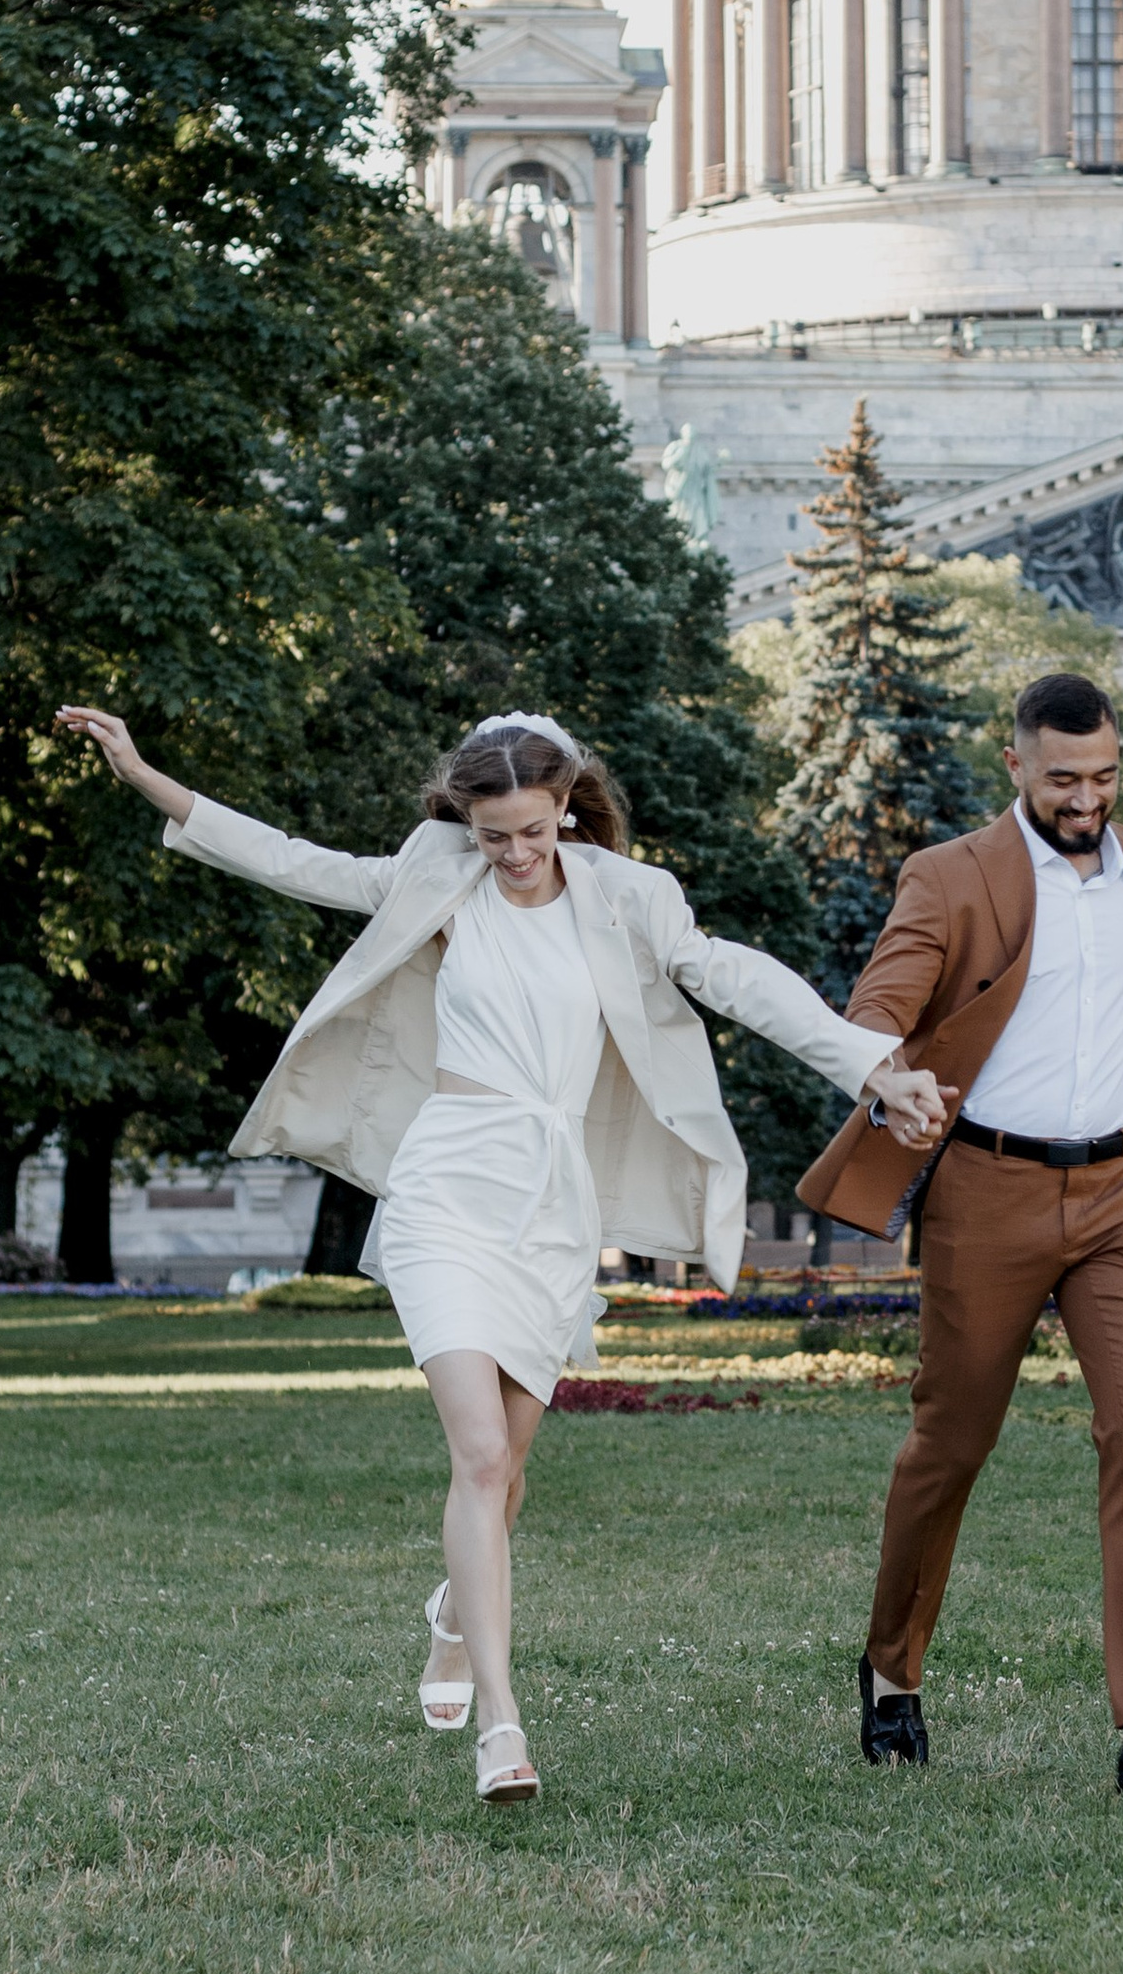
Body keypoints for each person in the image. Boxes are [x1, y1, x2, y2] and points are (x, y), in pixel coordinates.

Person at [54, 703, 947, 1806]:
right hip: (445, 1182)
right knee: (478, 1456)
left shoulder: (632, 899)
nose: (516, 855)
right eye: (494, 836)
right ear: (464, 823)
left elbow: (745, 984)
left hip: (554, 1206)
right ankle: (502, 1724)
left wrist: (874, 1067)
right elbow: (293, 863)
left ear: (567, 806)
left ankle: (448, 1615)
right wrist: (146, 772)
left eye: (533, 830)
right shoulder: (441, 873)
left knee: (509, 1471)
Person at [798, 672, 1123, 1796]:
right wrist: (886, 1081)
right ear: (1016, 767)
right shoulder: (950, 877)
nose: (1087, 800)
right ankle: (892, 1673)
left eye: (1104, 778)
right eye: (1064, 779)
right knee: (951, 1446)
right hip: (987, 1194)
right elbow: (875, 1013)